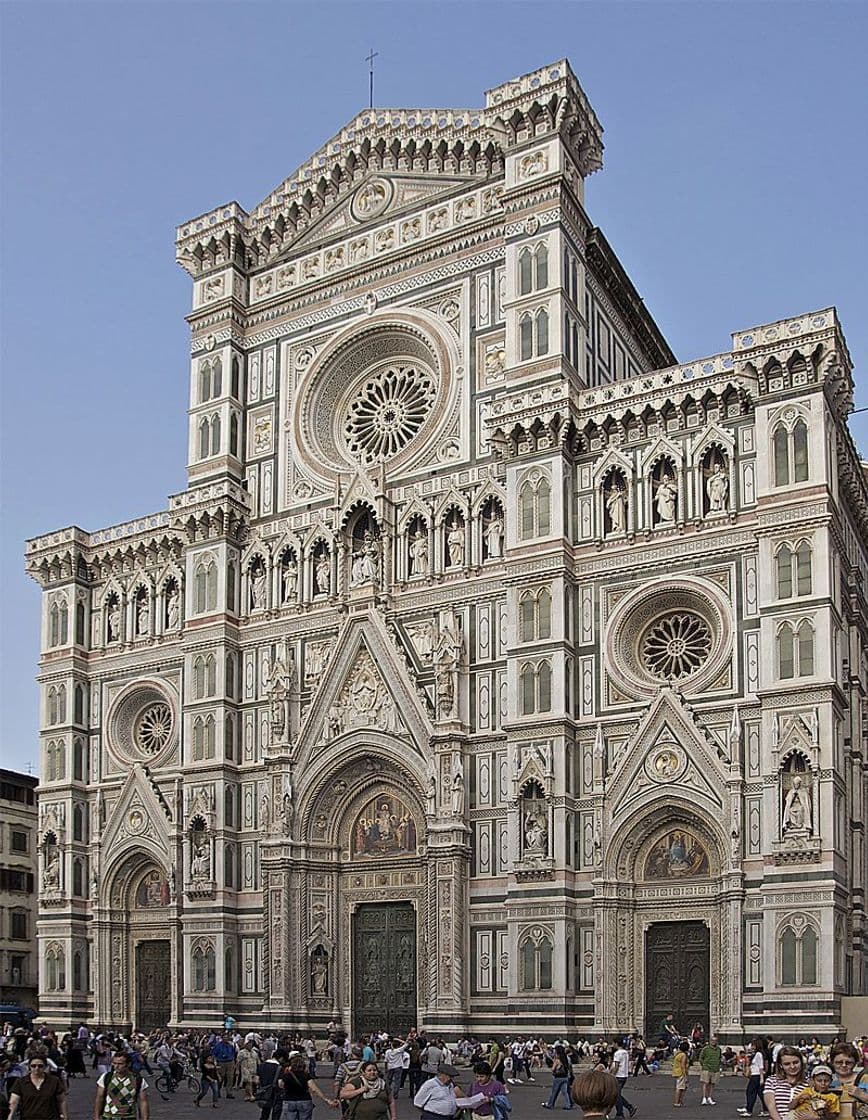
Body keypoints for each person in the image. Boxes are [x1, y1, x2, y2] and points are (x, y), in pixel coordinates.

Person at [279, 1052, 338, 1120]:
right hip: (304, 1100)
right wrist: (326, 1100)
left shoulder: (287, 1076)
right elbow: (314, 1089)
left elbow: (281, 1085)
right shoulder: (306, 1076)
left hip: (289, 1100)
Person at [7, 1054, 67, 1120]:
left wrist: (65, 1116)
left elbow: (61, 1101)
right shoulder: (21, 1082)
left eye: (40, 1066)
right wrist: (10, 1117)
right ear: (29, 1067)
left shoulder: (54, 1081)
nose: (36, 1068)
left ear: (45, 1067)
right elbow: (13, 1102)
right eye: (33, 1066)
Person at [413, 1064, 484, 1119]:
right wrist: (429, 1114)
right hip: (434, 1117)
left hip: (449, 1117)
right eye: (449, 1076)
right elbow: (417, 1103)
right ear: (441, 1075)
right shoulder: (430, 1084)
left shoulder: (450, 1085)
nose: (451, 1079)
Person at [94, 1050, 149, 1120]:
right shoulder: (106, 1077)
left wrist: (145, 1118)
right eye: (114, 1063)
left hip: (128, 1117)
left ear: (128, 1064)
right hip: (108, 1117)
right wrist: (96, 1116)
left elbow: (143, 1102)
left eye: (120, 1064)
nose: (116, 1066)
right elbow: (99, 1098)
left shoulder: (138, 1080)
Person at [763, 1047, 810, 1120]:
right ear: (781, 1065)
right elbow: (771, 1107)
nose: (792, 1066)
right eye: (787, 1064)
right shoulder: (772, 1081)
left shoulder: (809, 1083)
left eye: (795, 1062)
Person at [828, 1043, 868, 1120]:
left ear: (855, 1063)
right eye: (839, 1062)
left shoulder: (865, 1079)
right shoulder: (825, 1080)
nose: (843, 1065)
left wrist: (864, 1096)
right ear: (832, 1062)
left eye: (848, 1063)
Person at [738, 1038, 768, 1117]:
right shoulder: (755, 1054)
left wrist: (762, 1078)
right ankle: (765, 1109)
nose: (752, 1047)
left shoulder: (759, 1054)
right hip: (755, 1075)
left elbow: (761, 1067)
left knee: (750, 1092)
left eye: (753, 1045)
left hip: (756, 1075)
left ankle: (749, 1110)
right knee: (760, 1093)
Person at [609, 1040, 636, 1118]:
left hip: (618, 1075)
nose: (612, 1045)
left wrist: (612, 1075)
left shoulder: (617, 1053)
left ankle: (620, 1113)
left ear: (616, 1043)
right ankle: (629, 1107)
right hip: (624, 1075)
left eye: (613, 1043)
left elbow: (616, 1066)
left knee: (616, 1095)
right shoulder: (625, 1052)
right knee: (617, 1094)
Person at [541, 1045, 572, 1110]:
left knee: (554, 1092)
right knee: (565, 1092)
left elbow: (553, 1069)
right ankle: (568, 1104)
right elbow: (569, 1068)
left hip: (558, 1077)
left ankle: (550, 1104)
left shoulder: (557, 1060)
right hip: (565, 1077)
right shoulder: (566, 1059)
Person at [697, 1033, 722, 1106]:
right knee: (705, 1083)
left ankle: (709, 1097)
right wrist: (704, 1065)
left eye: (715, 1041)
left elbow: (719, 1058)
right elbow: (701, 1058)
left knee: (712, 1084)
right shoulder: (705, 1049)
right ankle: (704, 1098)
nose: (714, 1042)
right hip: (707, 1068)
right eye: (712, 1040)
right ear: (710, 1041)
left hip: (715, 1068)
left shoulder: (719, 1049)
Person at [672, 1040, 690, 1108]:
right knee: (680, 1087)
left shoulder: (678, 1054)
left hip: (677, 1071)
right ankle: (677, 1102)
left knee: (682, 1087)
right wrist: (685, 1076)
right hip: (681, 1072)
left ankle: (679, 1101)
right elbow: (683, 1066)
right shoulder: (683, 1055)